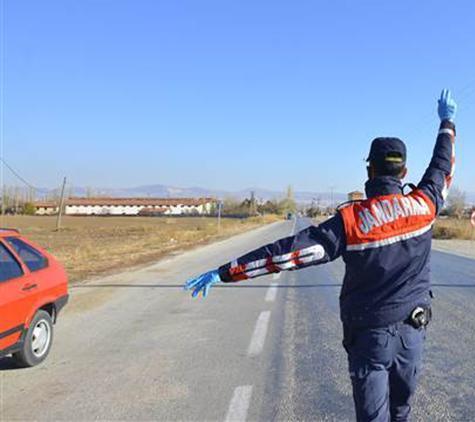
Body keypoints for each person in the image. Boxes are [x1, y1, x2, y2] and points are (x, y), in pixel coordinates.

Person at [184, 89, 457, 422]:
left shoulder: (350, 222)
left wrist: (228, 271)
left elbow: (287, 255)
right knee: (402, 412)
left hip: (371, 338)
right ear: (403, 173)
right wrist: (447, 122)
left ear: (370, 171)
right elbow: (442, 166)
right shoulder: (425, 205)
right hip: (413, 334)